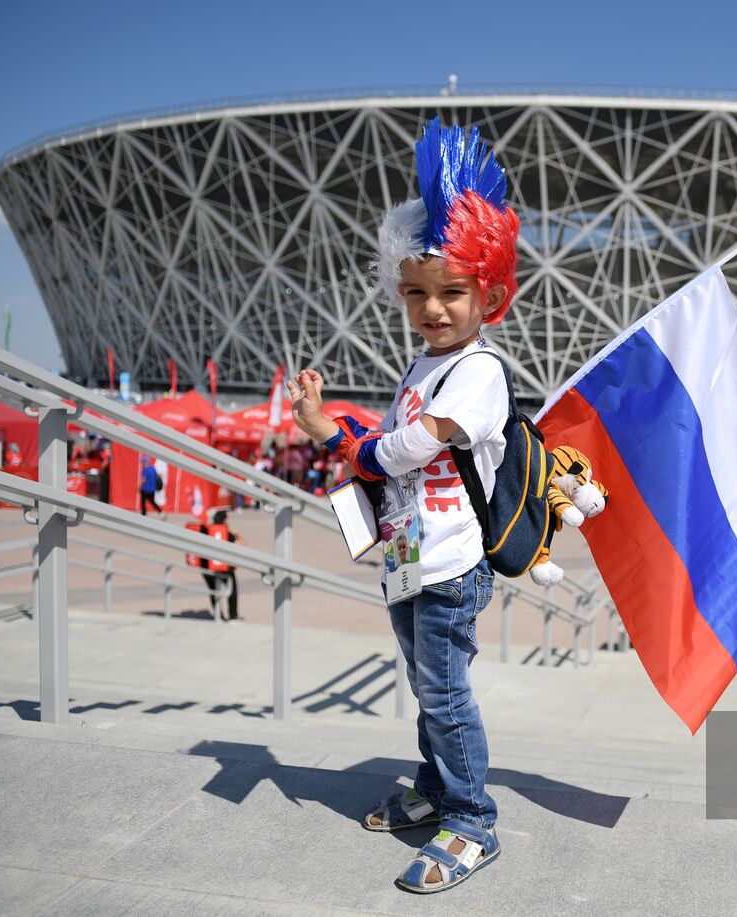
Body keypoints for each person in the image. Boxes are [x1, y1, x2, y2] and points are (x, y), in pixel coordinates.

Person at [286, 119, 514, 894]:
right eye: (416, 293)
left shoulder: (480, 372)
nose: (433, 308)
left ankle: (473, 819)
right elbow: (391, 439)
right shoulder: (425, 361)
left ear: (493, 292)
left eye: (453, 292)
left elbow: (413, 445)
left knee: (445, 690)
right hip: (409, 554)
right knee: (425, 683)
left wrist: (350, 445)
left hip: (451, 561)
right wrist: (331, 428)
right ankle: (434, 785)